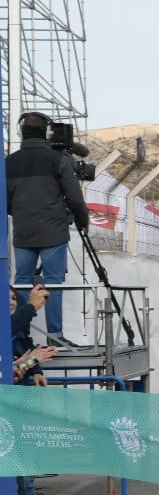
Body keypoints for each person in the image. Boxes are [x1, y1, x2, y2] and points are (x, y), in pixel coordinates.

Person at [6, 111, 91, 347]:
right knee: (53, 282)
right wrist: (83, 220)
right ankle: (55, 337)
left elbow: (5, 201)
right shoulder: (59, 160)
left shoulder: (9, 162)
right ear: (46, 132)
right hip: (53, 231)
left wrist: (22, 213)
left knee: (22, 281)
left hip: (23, 232)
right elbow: (75, 197)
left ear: (21, 132)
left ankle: (18, 335)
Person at [12, 283, 63, 495]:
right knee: (19, 444)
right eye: (6, 298)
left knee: (22, 443)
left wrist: (35, 370)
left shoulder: (17, 324)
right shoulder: (10, 323)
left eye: (14, 297)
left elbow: (24, 350)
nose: (11, 301)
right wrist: (31, 306)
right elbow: (13, 367)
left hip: (19, 390)